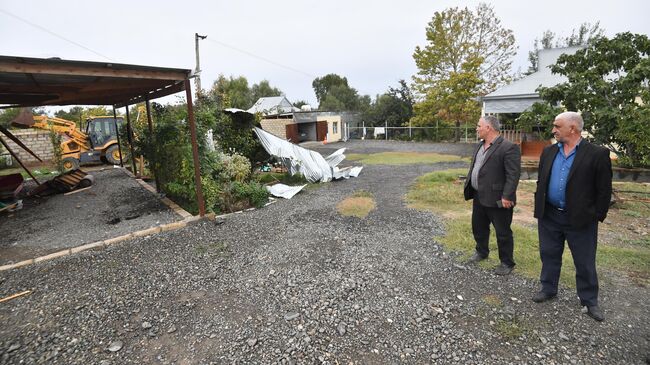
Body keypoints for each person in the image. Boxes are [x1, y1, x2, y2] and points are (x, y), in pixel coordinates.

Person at [532, 111, 612, 322]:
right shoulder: (549, 151)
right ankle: (548, 289)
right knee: (549, 253)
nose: (553, 130)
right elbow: (542, 180)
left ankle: (589, 300)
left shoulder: (597, 154)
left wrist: (596, 215)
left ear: (573, 128)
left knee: (584, 261)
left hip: (580, 219)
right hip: (550, 215)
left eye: (557, 126)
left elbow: (604, 191)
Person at [464, 115, 521, 275]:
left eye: (478, 126)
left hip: (498, 199)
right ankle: (481, 252)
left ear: (488, 127)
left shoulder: (508, 147)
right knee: (479, 227)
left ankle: (507, 262)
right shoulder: (480, 146)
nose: (476, 129)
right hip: (479, 196)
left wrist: (507, 196)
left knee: (503, 232)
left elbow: (513, 175)